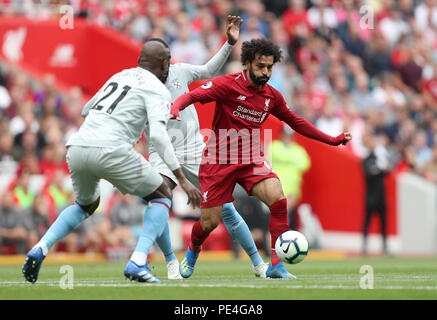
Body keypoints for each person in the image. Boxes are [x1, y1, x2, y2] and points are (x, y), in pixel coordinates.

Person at [22, 40, 203, 284]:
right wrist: (181, 179)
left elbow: (87, 109)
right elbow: (159, 137)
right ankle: (138, 261)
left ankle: (40, 248)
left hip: (78, 146)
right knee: (162, 196)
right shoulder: (158, 89)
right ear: (164, 64)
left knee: (85, 205)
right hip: (111, 149)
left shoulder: (119, 76)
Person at [170, 38, 352, 279]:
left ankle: (276, 265)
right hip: (218, 160)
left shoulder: (271, 96)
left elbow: (296, 122)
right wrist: (175, 108)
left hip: (250, 159)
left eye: (269, 67)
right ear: (247, 64)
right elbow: (192, 96)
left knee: (278, 199)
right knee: (209, 222)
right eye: (260, 66)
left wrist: (331, 139)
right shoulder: (228, 84)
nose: (265, 72)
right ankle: (192, 252)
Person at [145, 16, 269, 279]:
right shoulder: (142, 83)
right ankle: (169, 262)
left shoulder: (180, 71)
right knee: (159, 201)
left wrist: (229, 43)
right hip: (161, 150)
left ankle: (258, 263)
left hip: (192, 149)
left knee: (226, 209)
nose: (160, 65)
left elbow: (208, 72)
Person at [267, 126, 310, 230]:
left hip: (292, 189)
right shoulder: (274, 146)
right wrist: (291, 159)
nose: (288, 138)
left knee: (287, 215)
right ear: (281, 135)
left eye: (290, 136)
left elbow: (305, 164)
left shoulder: (299, 150)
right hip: (275, 188)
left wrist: (285, 159)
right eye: (286, 135)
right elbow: (270, 158)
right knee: (278, 213)